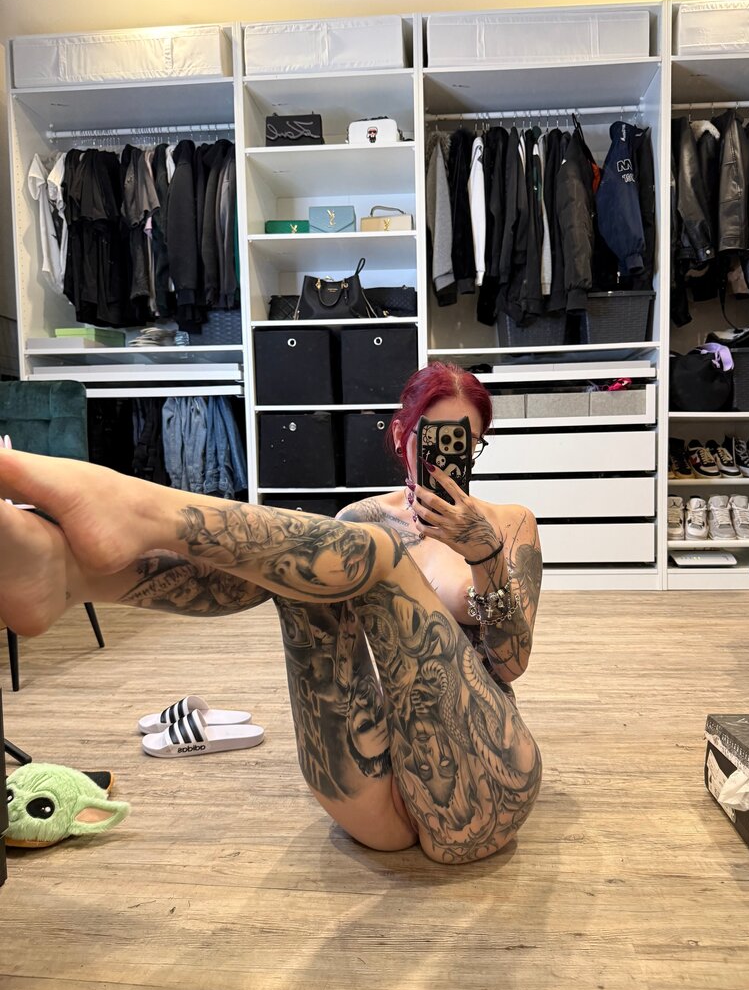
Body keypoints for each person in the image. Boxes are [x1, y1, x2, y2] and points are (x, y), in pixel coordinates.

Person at [0, 363, 542, 864]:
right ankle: (68, 575)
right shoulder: (361, 518)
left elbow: (509, 664)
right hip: (374, 781)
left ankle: (139, 516)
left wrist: (485, 555)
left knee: (371, 553)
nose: (447, 456)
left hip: (479, 781)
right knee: (310, 568)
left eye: (465, 442)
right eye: (434, 437)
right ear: (404, 435)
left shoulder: (509, 525)